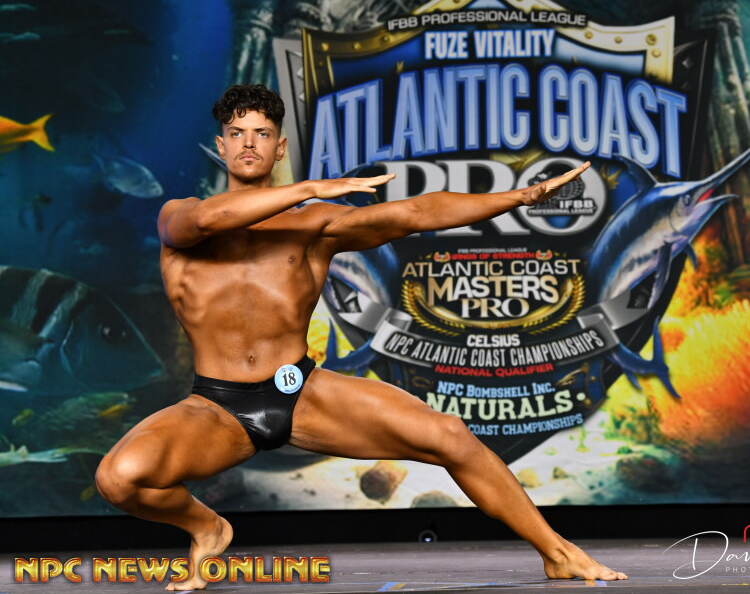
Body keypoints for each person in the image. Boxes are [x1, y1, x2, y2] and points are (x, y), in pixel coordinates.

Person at [94, 83, 628, 590]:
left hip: (301, 393)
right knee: (119, 479)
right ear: (221, 145)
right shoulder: (181, 216)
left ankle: (558, 552)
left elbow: (416, 212)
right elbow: (214, 219)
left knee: (450, 436)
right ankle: (207, 527)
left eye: (261, 134)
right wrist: (308, 188)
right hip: (217, 406)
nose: (248, 144)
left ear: (280, 147)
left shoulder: (315, 224)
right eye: (237, 133)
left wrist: (520, 196)